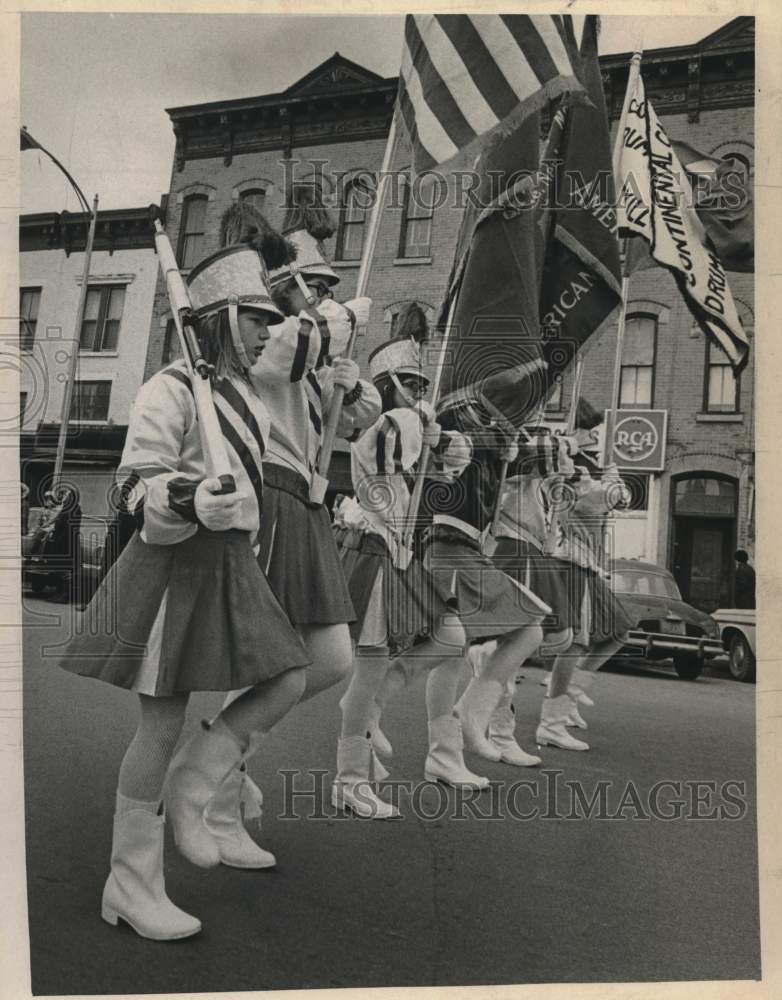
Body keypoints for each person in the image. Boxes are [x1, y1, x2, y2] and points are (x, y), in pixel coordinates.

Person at [58, 211, 312, 941]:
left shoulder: (250, 398)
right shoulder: (168, 389)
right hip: (172, 565)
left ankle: (198, 781)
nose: (271, 331)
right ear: (223, 319)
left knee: (288, 675)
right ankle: (130, 884)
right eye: (259, 319)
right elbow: (135, 486)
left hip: (230, 565)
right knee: (159, 724)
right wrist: (189, 497)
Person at [333, 308, 481, 816]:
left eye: (422, 382)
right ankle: (350, 778)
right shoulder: (377, 428)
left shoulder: (412, 423)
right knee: (365, 667)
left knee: (452, 638)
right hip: (372, 550)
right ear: (387, 385)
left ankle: (369, 709)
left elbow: (451, 464)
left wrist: (443, 441)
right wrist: (423, 424)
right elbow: (393, 451)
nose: (420, 390)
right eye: (411, 382)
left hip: (399, 551)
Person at [413, 372, 551, 769]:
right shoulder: (463, 416)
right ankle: (451, 733)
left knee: (449, 650)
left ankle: (451, 743)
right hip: (446, 542)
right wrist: (500, 445)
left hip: (466, 546)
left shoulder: (499, 432)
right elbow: (451, 446)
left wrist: (508, 448)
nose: (530, 415)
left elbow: (530, 459)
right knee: (439, 652)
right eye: (527, 406)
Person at [535, 399, 633, 751]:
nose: (593, 437)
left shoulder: (587, 466)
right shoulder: (571, 468)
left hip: (585, 561)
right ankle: (552, 718)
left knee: (612, 631)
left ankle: (568, 694)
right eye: (589, 430)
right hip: (567, 558)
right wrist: (612, 479)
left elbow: (617, 499)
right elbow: (608, 499)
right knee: (571, 641)